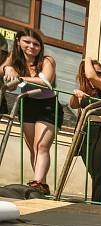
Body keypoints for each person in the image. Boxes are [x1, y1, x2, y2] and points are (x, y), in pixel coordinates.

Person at [1, 29, 59, 195]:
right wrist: (8, 69)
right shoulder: (14, 60)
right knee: (33, 148)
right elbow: (4, 72)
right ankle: (40, 184)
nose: (31, 46)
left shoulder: (47, 60)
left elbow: (45, 81)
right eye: (27, 42)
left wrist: (20, 78)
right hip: (27, 103)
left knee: (41, 145)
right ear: (18, 41)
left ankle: (39, 182)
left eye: (36, 44)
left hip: (47, 105)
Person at [69, 58, 101, 203]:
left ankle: (96, 204)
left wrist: (87, 59)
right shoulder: (87, 91)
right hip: (85, 133)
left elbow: (91, 76)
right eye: (95, 72)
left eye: (100, 73)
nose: (97, 76)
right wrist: (77, 92)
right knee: (93, 173)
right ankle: (95, 202)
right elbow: (72, 104)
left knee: (98, 174)